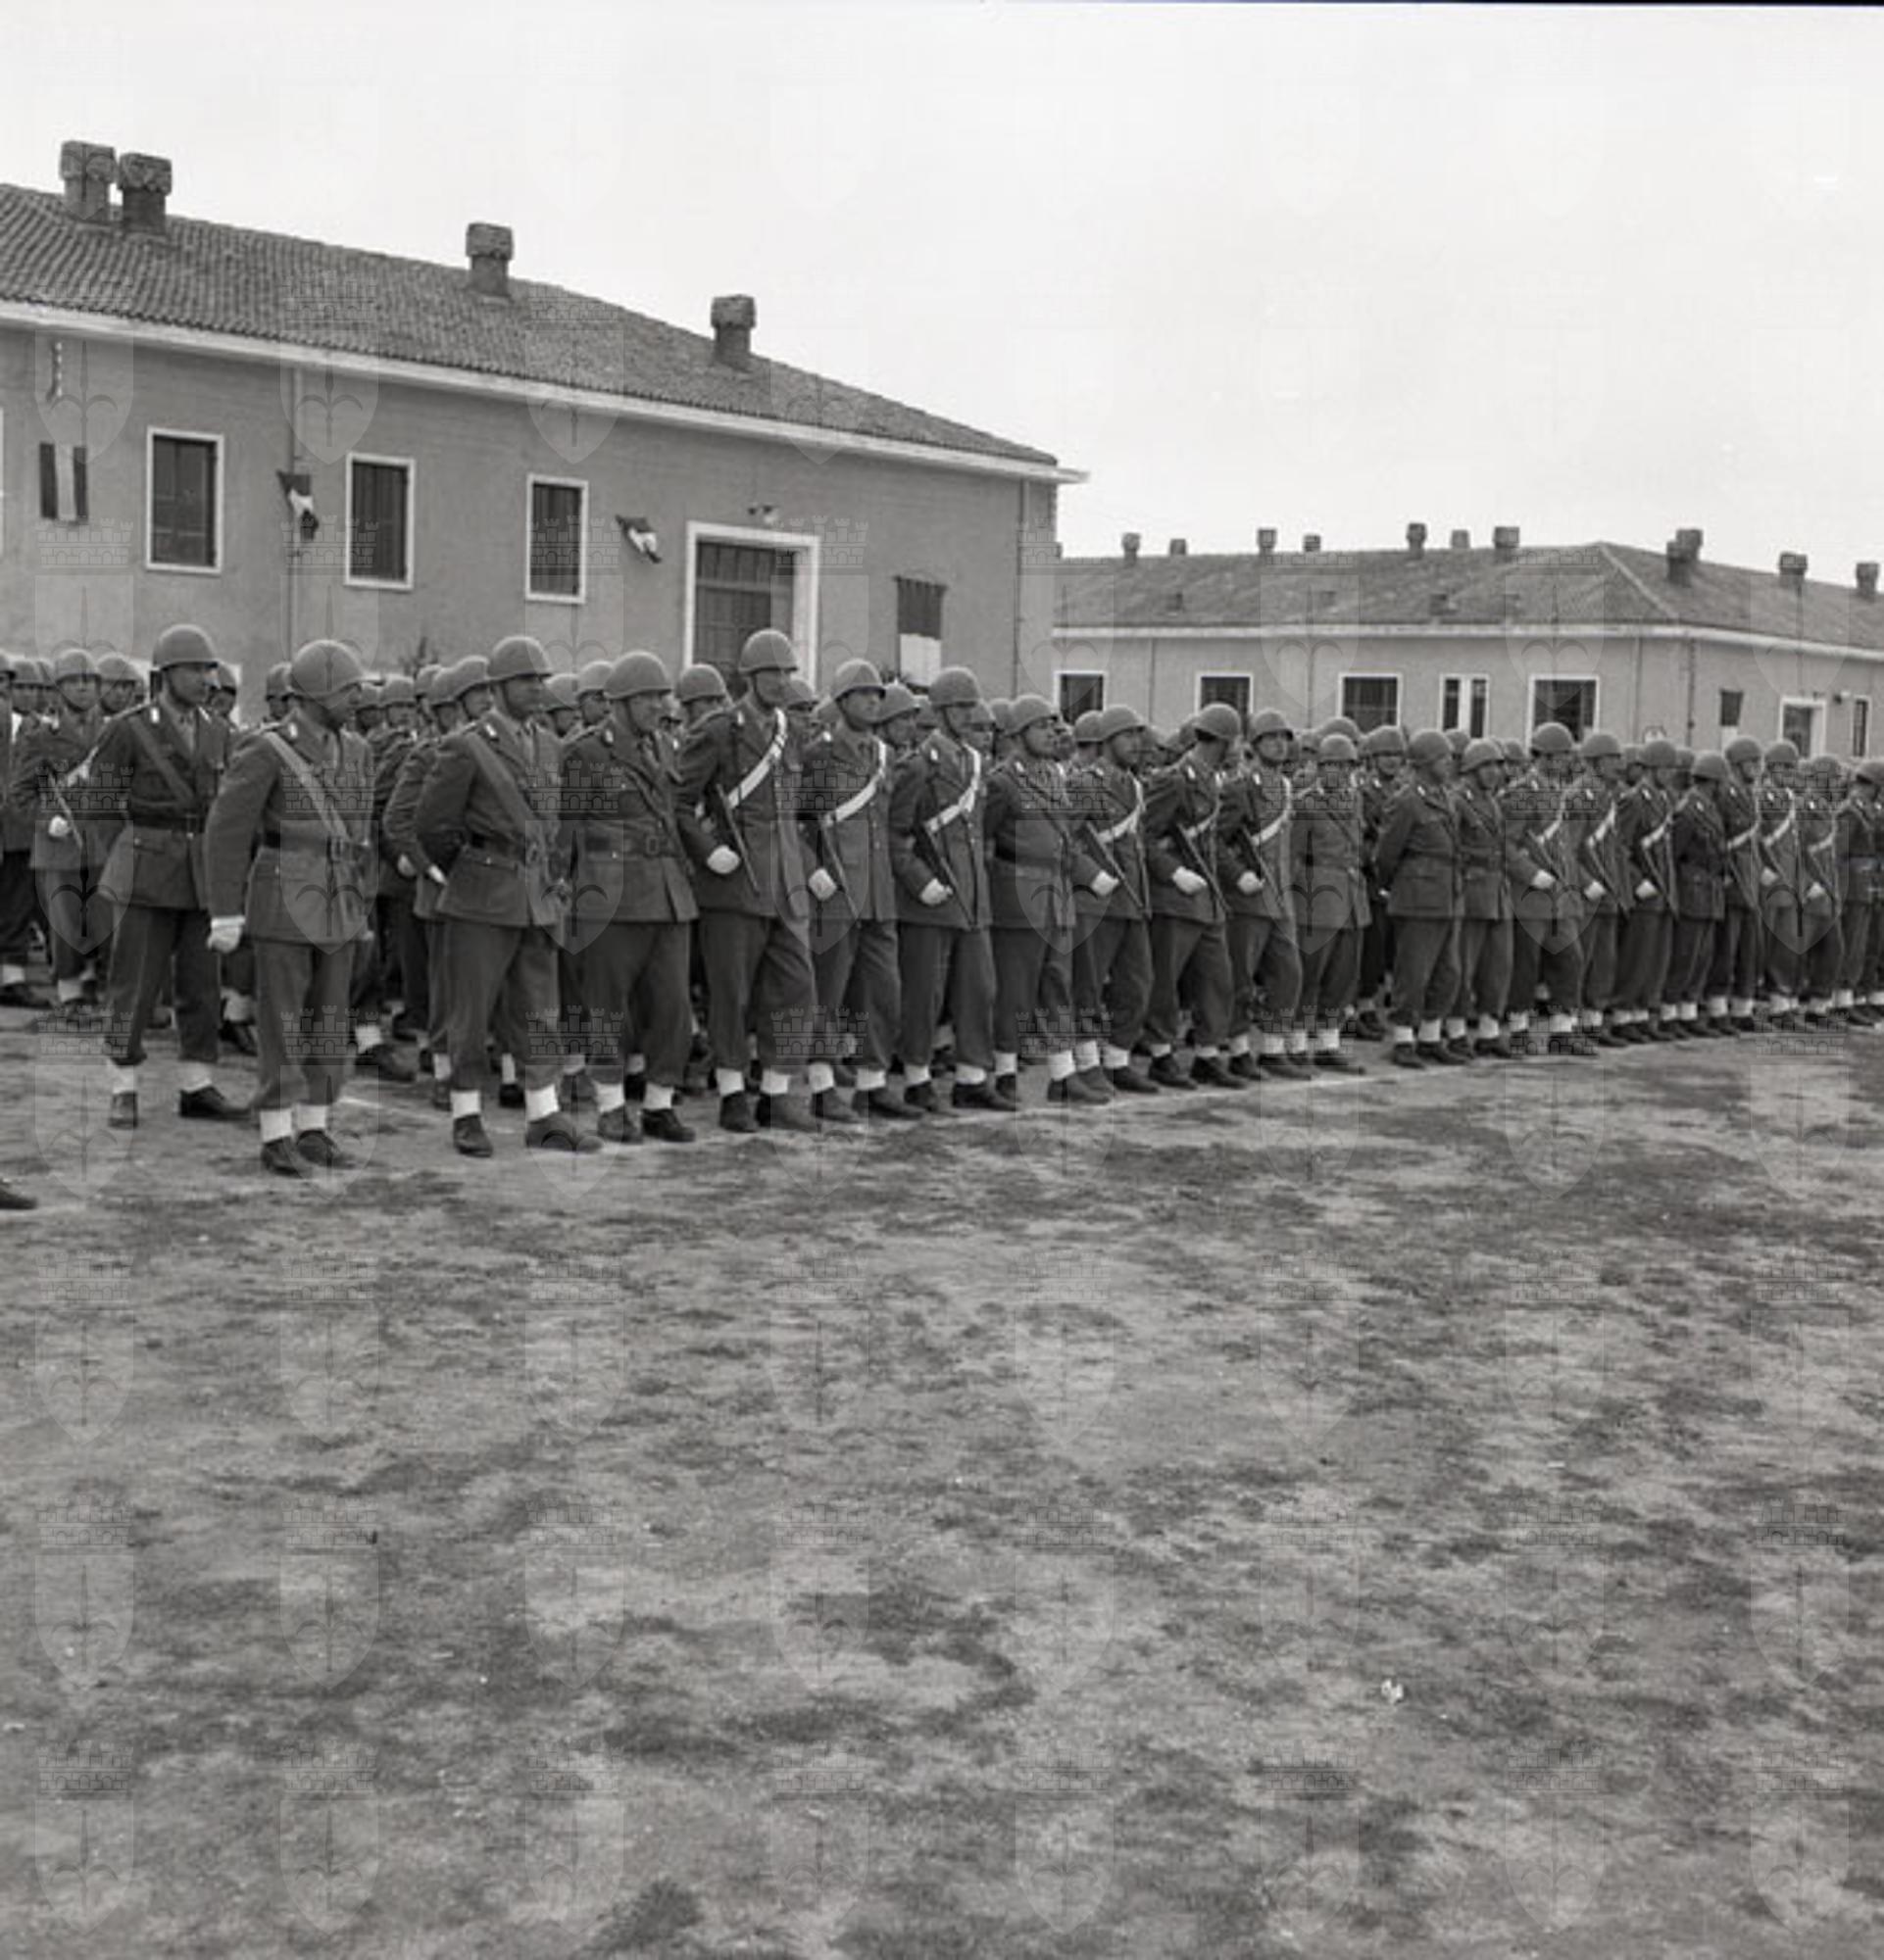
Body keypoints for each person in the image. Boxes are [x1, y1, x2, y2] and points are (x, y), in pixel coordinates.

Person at [416, 634, 598, 1156]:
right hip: (482, 893)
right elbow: (433, 824)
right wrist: (473, 866)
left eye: (541, 679)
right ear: (496, 688)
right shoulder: (467, 745)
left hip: (536, 894)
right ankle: (466, 1113)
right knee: (471, 1012)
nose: (537, 688)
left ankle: (544, 1114)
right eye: (525, 680)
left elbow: (555, 819)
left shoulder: (549, 745)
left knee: (539, 1010)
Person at [204, 640, 377, 1177]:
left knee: (330, 1018)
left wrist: (362, 905)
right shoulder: (267, 749)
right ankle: (276, 1131)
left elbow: (360, 835)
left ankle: (315, 1127)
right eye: (347, 690)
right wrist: (225, 912)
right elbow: (226, 833)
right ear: (317, 693)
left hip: (339, 896)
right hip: (283, 892)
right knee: (282, 1019)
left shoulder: (358, 751)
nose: (357, 700)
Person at [87, 624, 248, 1129]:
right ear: (165, 674)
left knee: (202, 983)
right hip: (146, 868)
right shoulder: (129, 729)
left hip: (202, 871)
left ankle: (196, 1083)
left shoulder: (221, 732)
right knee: (133, 983)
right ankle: (123, 1085)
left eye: (208, 670)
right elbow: (100, 806)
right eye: (194, 670)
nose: (206, 680)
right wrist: (118, 863)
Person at [672, 628, 832, 1134]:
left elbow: (793, 813)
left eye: (787, 672)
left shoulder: (791, 731)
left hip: (785, 883)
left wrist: (809, 865)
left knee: (796, 989)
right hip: (735, 883)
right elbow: (678, 802)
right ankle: (732, 1092)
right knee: (731, 994)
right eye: (772, 673)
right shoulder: (720, 730)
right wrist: (708, 850)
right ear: (749, 676)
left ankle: (776, 1093)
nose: (782, 681)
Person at [559, 652, 698, 1144]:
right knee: (607, 1006)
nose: (658, 706)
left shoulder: (664, 746)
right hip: (611, 894)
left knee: (673, 1006)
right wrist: (563, 888)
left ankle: (659, 1103)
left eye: (661, 697)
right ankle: (611, 1105)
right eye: (646, 698)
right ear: (618, 703)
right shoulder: (586, 753)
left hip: (667, 892)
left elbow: (672, 815)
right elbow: (566, 829)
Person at [796, 660, 917, 1123]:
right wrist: (812, 869)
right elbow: (796, 821)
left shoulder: (884, 756)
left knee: (883, 991)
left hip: (877, 891)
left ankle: (872, 1083)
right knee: (827, 993)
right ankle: (823, 1086)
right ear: (842, 701)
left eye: (877, 694)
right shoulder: (819, 755)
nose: (872, 701)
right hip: (836, 890)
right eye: (863, 694)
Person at [887, 664, 1012, 1112]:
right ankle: (917, 1078)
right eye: (957, 707)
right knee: (925, 994)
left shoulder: (976, 764)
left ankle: (972, 1077)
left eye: (969, 706)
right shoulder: (918, 766)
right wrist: (920, 882)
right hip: (931, 900)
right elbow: (895, 835)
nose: (966, 714)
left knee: (979, 989)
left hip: (971, 896)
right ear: (938, 711)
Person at [983, 694, 1108, 1106]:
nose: (1051, 734)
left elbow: (1063, 839)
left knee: (1058, 986)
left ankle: (1062, 1075)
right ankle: (1004, 1072)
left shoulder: (1054, 777)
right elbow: (984, 841)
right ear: (1019, 733)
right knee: (1015, 992)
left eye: (1053, 727)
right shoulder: (1003, 781)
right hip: (1017, 895)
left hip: (1055, 894)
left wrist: (1091, 875)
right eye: (1041, 727)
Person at [1141, 700, 1245, 1090]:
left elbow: (1212, 842)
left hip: (1206, 897)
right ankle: (1161, 1054)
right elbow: (1143, 836)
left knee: (1218, 979)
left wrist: (1231, 878)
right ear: (1221, 741)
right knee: (1166, 981)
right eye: (1236, 741)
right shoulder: (1174, 780)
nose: (1239, 748)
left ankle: (1207, 1053)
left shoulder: (1214, 781)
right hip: (1174, 896)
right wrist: (1174, 872)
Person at [8, 646, 108, 1021]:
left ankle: (91, 986)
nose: (83, 688)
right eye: (74, 681)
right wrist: (47, 819)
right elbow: (19, 795)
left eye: (89, 680)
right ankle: (69, 995)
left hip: (101, 840)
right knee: (66, 921)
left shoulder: (111, 732)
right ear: (58, 689)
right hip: (59, 842)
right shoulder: (40, 736)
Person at [1068, 703, 1158, 1095]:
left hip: (1131, 899)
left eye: (1138, 735)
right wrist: (1091, 875)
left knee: (1137, 984)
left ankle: (1117, 1059)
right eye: (1127, 736)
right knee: (1087, 986)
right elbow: (1065, 840)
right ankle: (1087, 1062)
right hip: (1096, 900)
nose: (1136, 743)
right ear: (1106, 741)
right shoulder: (1085, 784)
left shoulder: (1133, 786)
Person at [1220, 708, 1307, 1081]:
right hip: (1248, 899)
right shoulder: (1239, 788)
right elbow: (1217, 842)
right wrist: (1238, 874)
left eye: (1284, 737)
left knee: (1289, 974)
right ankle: (1238, 1049)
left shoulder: (1286, 788)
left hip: (1281, 898)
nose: (1279, 744)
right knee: (1240, 978)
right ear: (1254, 744)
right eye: (1271, 738)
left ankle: (1273, 1048)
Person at [1374, 728, 1463, 1066]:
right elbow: (1386, 854)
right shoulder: (1407, 801)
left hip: (1445, 896)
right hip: (1417, 897)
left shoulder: (1445, 797)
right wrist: (1394, 886)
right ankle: (1403, 1040)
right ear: (1425, 762)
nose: (1449, 763)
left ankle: (1430, 1037)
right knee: (1413, 973)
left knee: (1447, 973)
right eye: (1443, 758)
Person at [1501, 720, 1590, 1056]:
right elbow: (1506, 845)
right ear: (1546, 756)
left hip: (1558, 896)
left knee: (1571, 960)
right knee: (1526, 966)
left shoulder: (1556, 792)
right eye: (1562, 755)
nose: (1568, 761)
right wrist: (1531, 874)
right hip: (1529, 895)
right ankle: (1519, 1030)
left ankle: (1562, 1031)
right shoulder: (1523, 792)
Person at [1288, 730, 1369, 1071]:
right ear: (1320, 767)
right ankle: (1295, 1043)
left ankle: (1329, 1044)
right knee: (1309, 977)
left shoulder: (1354, 800)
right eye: (1334, 765)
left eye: (1347, 766)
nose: (1341, 772)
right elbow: (1293, 857)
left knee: (1342, 977)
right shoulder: (1306, 804)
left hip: (1351, 899)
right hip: (1317, 899)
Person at [1451, 737, 1513, 1058]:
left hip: (1497, 891)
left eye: (1498, 766)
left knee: (1498, 966)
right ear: (1471, 769)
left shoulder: (1493, 802)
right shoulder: (1458, 801)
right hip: (1472, 890)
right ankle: (1456, 1031)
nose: (1494, 772)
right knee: (1463, 966)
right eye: (1486, 766)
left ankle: (1489, 1030)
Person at [1671, 749, 1731, 1034]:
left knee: (1702, 956)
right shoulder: (1687, 810)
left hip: (1709, 891)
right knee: (1686, 955)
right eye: (1721, 783)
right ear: (1713, 781)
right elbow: (1675, 854)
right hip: (1691, 891)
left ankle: (1689, 1011)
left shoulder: (1710, 809)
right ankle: (1673, 1012)